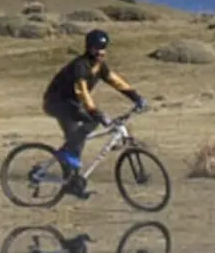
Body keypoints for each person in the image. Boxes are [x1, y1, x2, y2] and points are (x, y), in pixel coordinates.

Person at [41, 29, 144, 199]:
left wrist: (136, 97)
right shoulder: (81, 66)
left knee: (79, 139)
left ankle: (72, 181)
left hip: (71, 104)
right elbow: (82, 91)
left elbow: (116, 81)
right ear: (89, 48)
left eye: (103, 48)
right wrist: (95, 112)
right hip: (56, 103)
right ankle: (68, 166)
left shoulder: (99, 66)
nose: (101, 52)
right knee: (82, 130)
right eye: (97, 48)